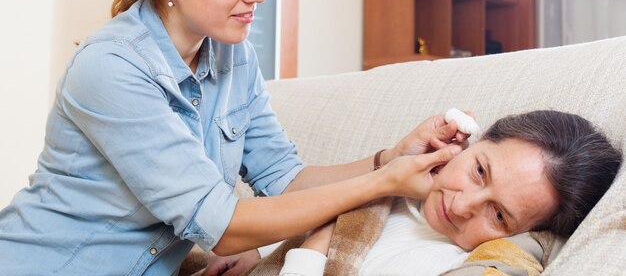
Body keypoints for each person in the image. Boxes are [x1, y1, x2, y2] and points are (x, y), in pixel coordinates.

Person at [0, 0, 470, 276]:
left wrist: (388, 158)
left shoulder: (233, 56)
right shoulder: (111, 66)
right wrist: (384, 183)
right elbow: (222, 226)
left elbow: (283, 177)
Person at [198, 110, 622, 276]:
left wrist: (316, 243)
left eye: (499, 216)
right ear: (471, 144)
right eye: (478, 171)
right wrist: (261, 248)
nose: (461, 205)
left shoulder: (443, 263)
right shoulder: (400, 189)